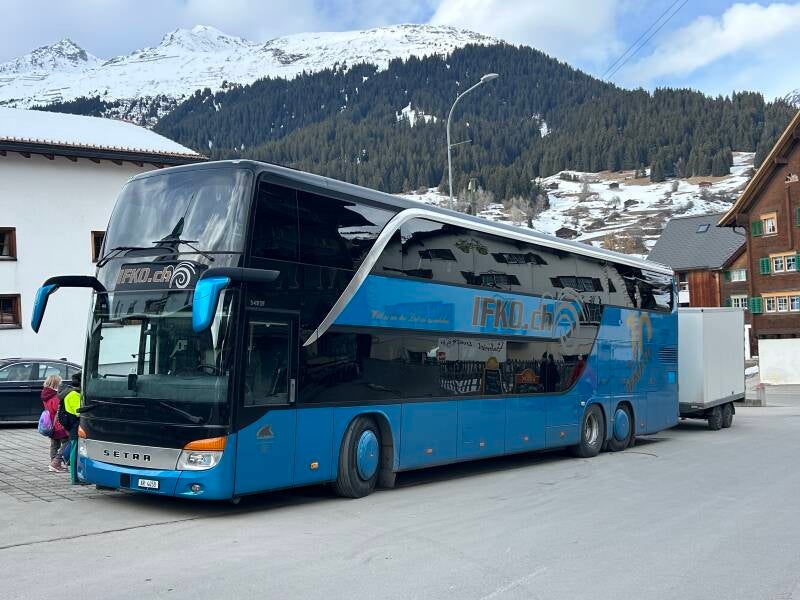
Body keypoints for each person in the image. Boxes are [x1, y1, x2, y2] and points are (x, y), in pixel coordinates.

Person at [57, 372, 82, 484]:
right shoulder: (74, 395)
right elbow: (79, 412)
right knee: (74, 451)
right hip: (75, 426)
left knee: (73, 449)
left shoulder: (70, 392)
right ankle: (75, 478)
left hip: (73, 425)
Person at [41, 375, 68, 472]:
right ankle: (56, 463)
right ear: (56, 383)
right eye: (60, 382)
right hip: (58, 423)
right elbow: (58, 409)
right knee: (67, 441)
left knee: (54, 444)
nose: (61, 384)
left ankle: (53, 463)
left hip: (50, 423)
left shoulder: (45, 393)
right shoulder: (55, 396)